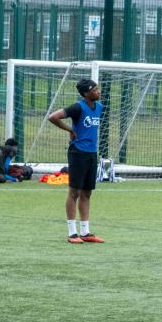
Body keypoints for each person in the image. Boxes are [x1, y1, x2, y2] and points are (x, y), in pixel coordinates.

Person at [48, 78, 105, 244]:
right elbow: (53, 117)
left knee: (87, 192)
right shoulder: (78, 107)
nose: (98, 92)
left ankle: (85, 232)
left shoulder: (99, 107)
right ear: (86, 93)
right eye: (95, 90)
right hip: (78, 152)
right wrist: (70, 130)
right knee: (74, 192)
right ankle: (72, 233)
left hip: (92, 153)